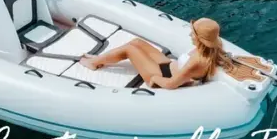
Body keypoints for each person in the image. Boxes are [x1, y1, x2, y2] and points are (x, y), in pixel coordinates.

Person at [79, 18, 232, 89]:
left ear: (201, 39)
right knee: (136, 42)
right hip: (169, 66)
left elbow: (172, 84)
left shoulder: (197, 60)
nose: (190, 35)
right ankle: (100, 59)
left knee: (130, 50)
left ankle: (93, 63)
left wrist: (154, 79)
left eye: (193, 33)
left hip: (164, 76)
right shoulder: (215, 47)